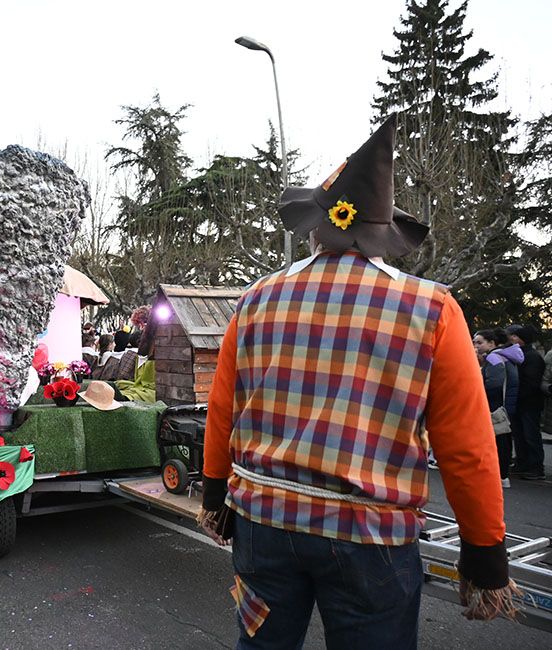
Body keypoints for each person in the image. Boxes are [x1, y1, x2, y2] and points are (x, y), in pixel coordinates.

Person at [200, 116, 512, 648]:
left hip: (263, 523)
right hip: (371, 538)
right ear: (381, 236)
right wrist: (483, 549)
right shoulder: (431, 309)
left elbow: (224, 407)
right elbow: (467, 445)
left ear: (317, 226)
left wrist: (214, 493)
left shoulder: (255, 299)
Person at [473, 328, 520, 488]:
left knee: (498, 442)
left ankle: (499, 475)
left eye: (479, 342)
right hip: (506, 404)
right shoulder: (505, 356)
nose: (476, 346)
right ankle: (502, 475)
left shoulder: (493, 357)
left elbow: (494, 383)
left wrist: (478, 389)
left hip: (496, 406)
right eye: (474, 342)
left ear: (491, 343)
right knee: (503, 440)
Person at [506, 324, 546, 480]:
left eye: (516, 336)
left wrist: (518, 395)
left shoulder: (532, 357)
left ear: (523, 339)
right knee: (519, 435)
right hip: (520, 402)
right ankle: (522, 463)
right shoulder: (520, 354)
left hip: (529, 404)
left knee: (531, 435)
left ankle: (536, 466)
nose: (512, 338)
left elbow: (530, 383)